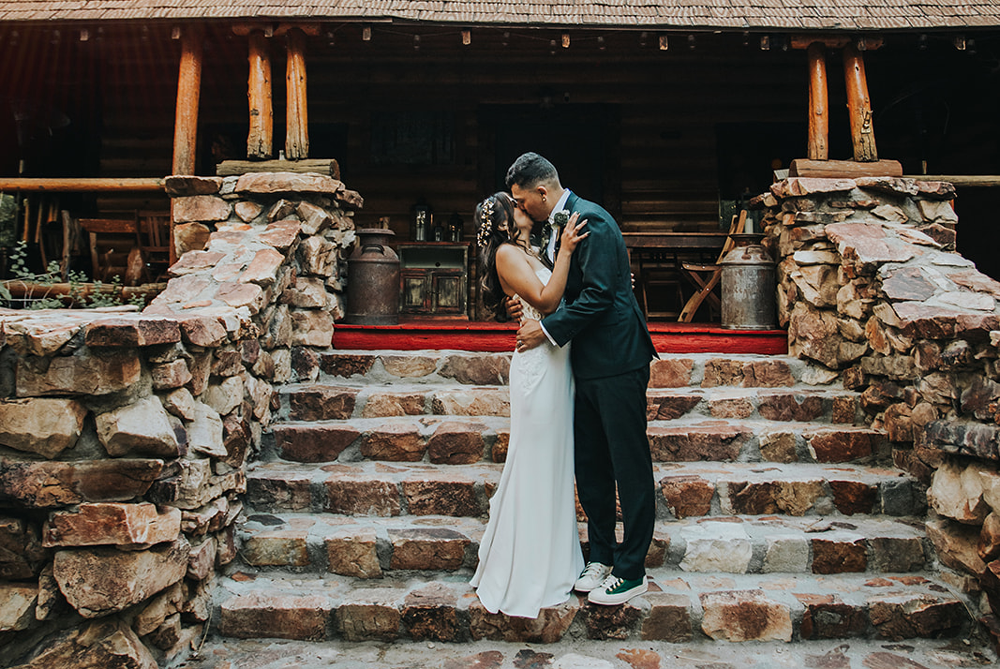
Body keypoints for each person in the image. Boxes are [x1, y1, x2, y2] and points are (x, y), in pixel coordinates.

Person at [507, 152, 658, 606]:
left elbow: (598, 297)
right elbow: (562, 288)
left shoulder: (593, 221)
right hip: (582, 364)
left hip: (616, 360)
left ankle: (632, 569)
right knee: (591, 464)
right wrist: (530, 307)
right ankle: (602, 555)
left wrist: (546, 330)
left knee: (628, 463)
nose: (520, 209)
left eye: (521, 200)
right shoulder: (559, 228)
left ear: (541, 192)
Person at [469, 191, 589, 618]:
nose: (527, 209)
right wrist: (569, 253)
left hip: (555, 361)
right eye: (517, 205)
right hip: (538, 366)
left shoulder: (526, 251)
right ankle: (528, 569)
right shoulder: (505, 253)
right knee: (536, 462)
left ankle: (558, 559)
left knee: (555, 462)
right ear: (505, 218)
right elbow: (546, 301)